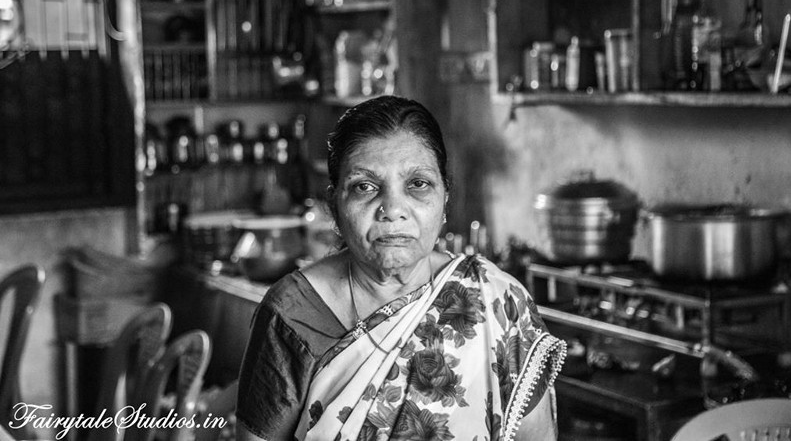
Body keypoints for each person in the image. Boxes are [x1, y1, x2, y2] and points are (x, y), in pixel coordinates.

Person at [235, 96, 566, 440]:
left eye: (417, 184)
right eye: (365, 187)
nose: (392, 209)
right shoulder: (291, 315)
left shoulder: (498, 302)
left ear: (445, 197)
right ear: (334, 206)